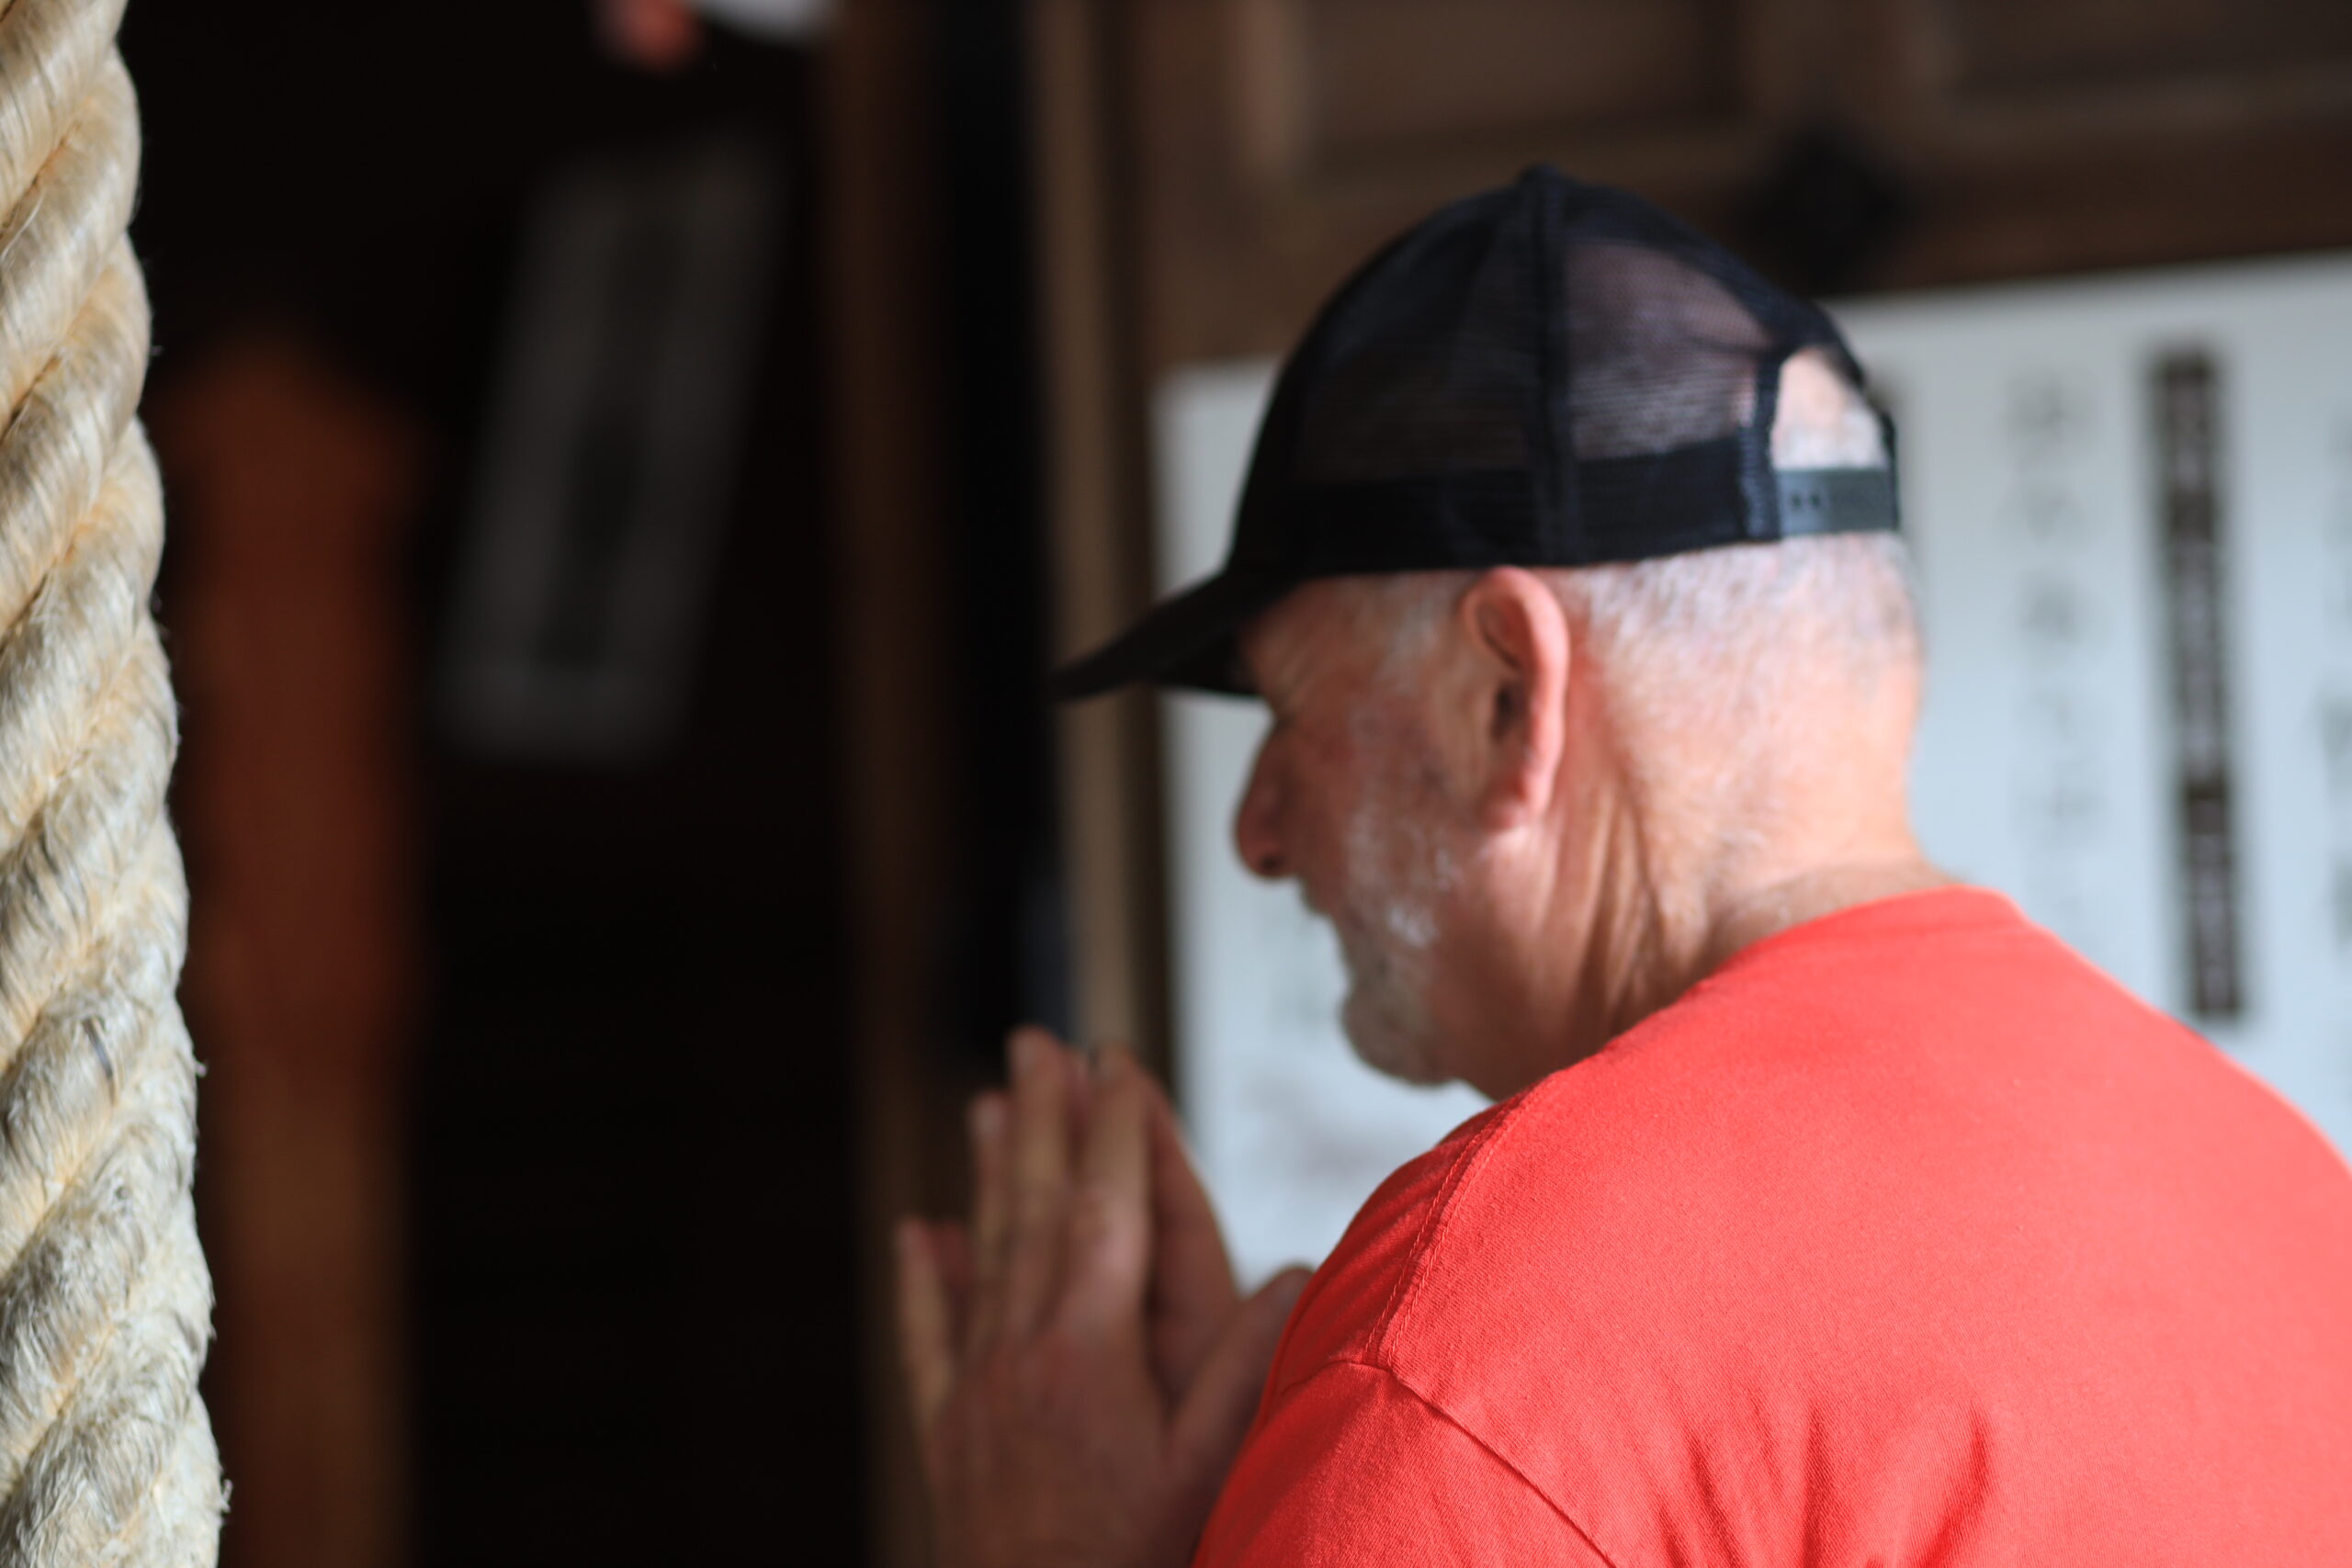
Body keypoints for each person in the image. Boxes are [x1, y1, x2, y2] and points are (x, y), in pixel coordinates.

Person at [893, 168, 2352, 1566]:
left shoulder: (1490, 1352)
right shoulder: (2283, 1192)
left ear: (1506, 700)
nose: (1257, 831)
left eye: (1289, 720)